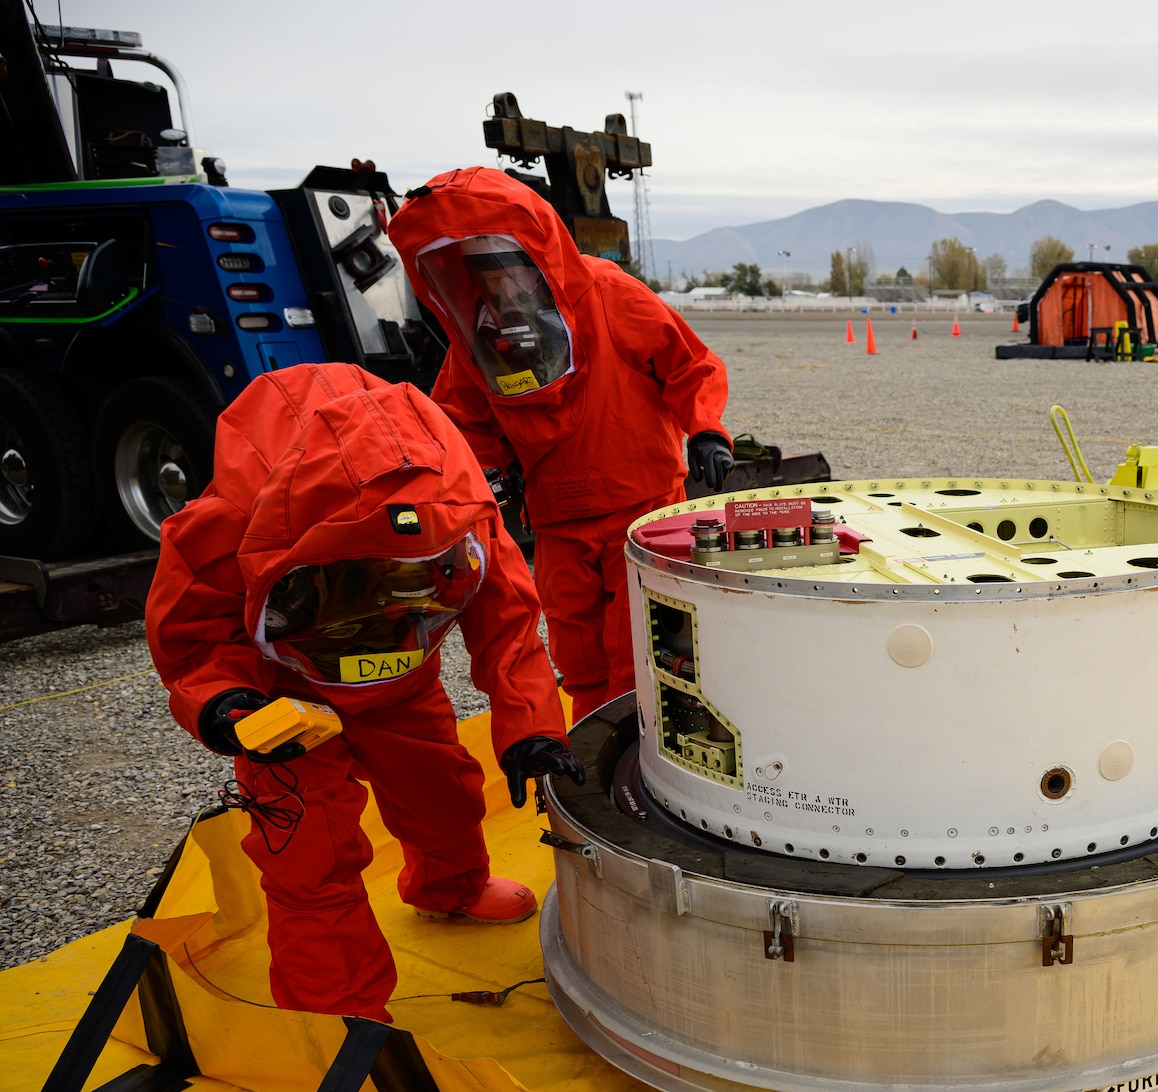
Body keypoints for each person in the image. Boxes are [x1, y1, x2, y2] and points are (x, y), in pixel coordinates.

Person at [146, 364, 583, 1022]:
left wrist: (532, 727)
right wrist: (223, 701)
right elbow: (190, 629)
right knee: (308, 859)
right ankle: (339, 1021)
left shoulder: (456, 509)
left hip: (402, 681)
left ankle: (450, 886)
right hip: (286, 700)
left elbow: (509, 623)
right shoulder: (238, 515)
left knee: (445, 796)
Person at [388, 167, 734, 718]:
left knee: (641, 652)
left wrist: (708, 430)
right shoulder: (479, 336)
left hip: (641, 511)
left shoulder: (610, 294)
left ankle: (641, 765)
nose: (501, 289)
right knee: (580, 659)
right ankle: (598, 760)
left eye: (509, 271)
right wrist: (486, 471)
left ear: (536, 255)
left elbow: (689, 366)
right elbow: (460, 418)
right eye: (484, 276)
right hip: (557, 523)